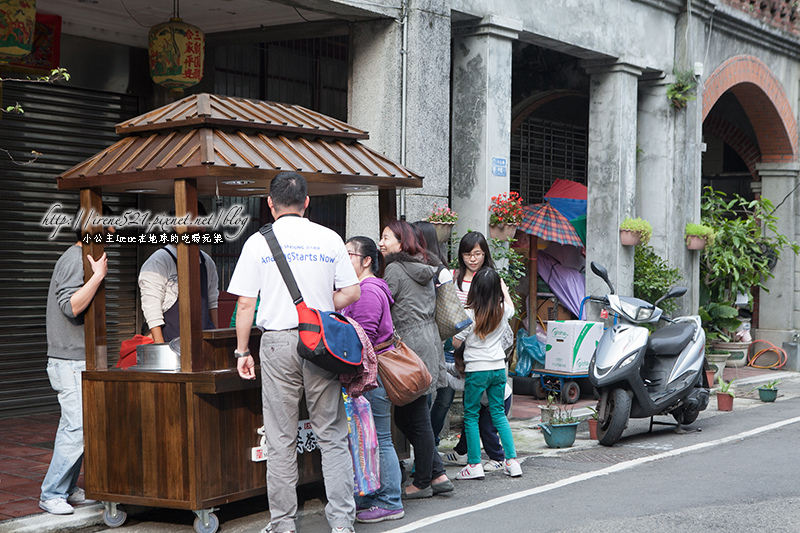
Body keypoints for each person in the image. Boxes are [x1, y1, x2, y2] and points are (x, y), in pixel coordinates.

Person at [229, 172, 361, 533]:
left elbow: (245, 304)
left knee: (280, 438)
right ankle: (342, 523)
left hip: (276, 343)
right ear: (306, 202)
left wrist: (242, 351)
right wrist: (318, 312)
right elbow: (352, 292)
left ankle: (283, 523)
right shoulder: (329, 238)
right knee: (332, 435)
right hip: (320, 343)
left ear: (270, 204)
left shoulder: (257, 242)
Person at [39, 207, 113, 515]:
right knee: (77, 427)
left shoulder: (82, 257)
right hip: (68, 362)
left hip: (77, 360)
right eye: (110, 227)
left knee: (81, 427)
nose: (113, 234)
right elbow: (71, 306)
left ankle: (67, 488)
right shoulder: (73, 259)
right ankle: (51, 493)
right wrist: (97, 277)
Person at [379, 220, 453, 499]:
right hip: (429, 341)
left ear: (401, 243)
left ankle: (422, 482)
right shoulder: (424, 266)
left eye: (386, 237)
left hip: (409, 346)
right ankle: (437, 473)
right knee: (410, 416)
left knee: (417, 417)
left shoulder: (395, 270)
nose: (381, 243)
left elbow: (382, 304)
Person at [341, 236, 404, 524]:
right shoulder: (365, 288)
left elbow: (362, 338)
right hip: (372, 373)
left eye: (349, 255)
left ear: (367, 260)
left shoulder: (367, 291)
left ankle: (390, 500)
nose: (344, 260)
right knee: (370, 437)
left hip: (371, 375)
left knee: (380, 437)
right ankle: (373, 497)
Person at [453, 267, 522, 480]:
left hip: (477, 370)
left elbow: (456, 342)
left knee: (471, 416)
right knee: (499, 414)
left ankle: (474, 464)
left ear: (475, 289)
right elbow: (511, 307)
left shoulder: (469, 314)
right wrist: (504, 289)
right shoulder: (503, 310)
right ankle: (512, 462)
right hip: (498, 368)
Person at [138, 204, 219, 343]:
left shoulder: (207, 261)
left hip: (203, 342)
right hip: (170, 343)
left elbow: (212, 303)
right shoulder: (158, 261)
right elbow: (152, 310)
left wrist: (216, 339)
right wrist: (160, 348)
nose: (200, 227)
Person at [411, 221, 455, 445]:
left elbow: (450, 310)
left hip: (442, 342)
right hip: (420, 340)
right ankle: (426, 446)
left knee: (442, 396)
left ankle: (430, 443)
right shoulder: (407, 268)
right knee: (424, 398)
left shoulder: (440, 272)